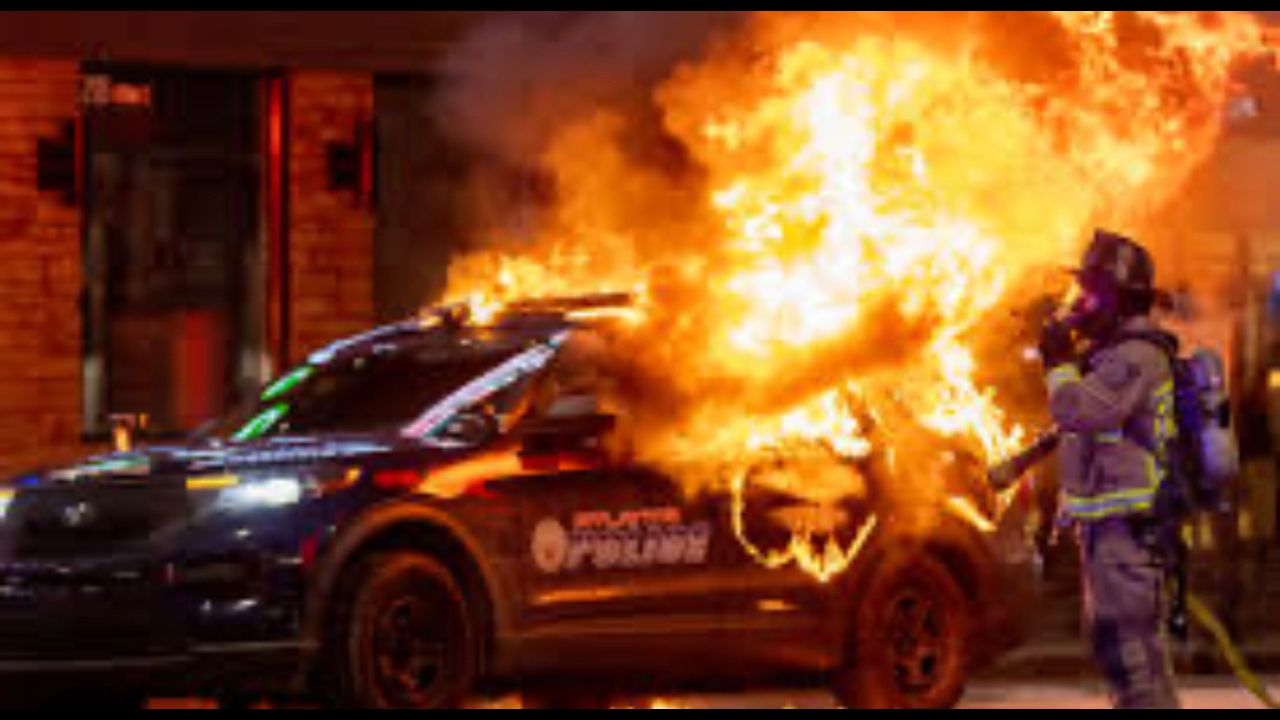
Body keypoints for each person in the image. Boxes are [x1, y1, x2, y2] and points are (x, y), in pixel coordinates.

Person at [1039, 230, 1181, 709]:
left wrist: (1057, 361)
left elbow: (1079, 410)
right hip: (1113, 533)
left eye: (1092, 292)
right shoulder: (1113, 356)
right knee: (1128, 658)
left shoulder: (1136, 357)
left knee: (1134, 660)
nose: (1082, 303)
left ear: (1119, 296)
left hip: (1128, 533)